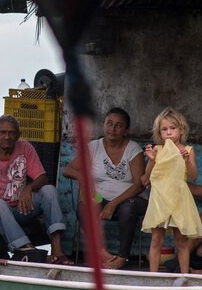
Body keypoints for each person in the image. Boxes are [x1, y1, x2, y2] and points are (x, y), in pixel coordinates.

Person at [0, 115, 71, 264]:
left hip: (19, 208)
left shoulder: (25, 147)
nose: (7, 137)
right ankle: (28, 251)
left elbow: (42, 177)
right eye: (2, 132)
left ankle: (57, 249)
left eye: (12, 133)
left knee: (49, 190)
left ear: (18, 135)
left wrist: (29, 188)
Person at [62, 107, 147, 270]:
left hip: (128, 199)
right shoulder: (94, 147)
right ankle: (102, 253)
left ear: (126, 130)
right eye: (109, 123)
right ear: (103, 125)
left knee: (127, 208)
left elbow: (138, 185)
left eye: (118, 125)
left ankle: (122, 257)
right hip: (100, 198)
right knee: (84, 206)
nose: (112, 129)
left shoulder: (133, 148)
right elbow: (68, 170)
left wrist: (113, 203)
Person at [140, 107, 202, 273]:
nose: (168, 132)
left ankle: (184, 276)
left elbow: (193, 175)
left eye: (173, 128)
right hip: (159, 198)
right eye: (164, 129)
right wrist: (152, 160)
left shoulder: (188, 150)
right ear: (159, 132)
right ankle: (152, 276)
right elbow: (147, 175)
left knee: (181, 240)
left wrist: (186, 160)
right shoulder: (157, 150)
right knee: (156, 239)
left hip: (179, 199)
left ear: (181, 130)